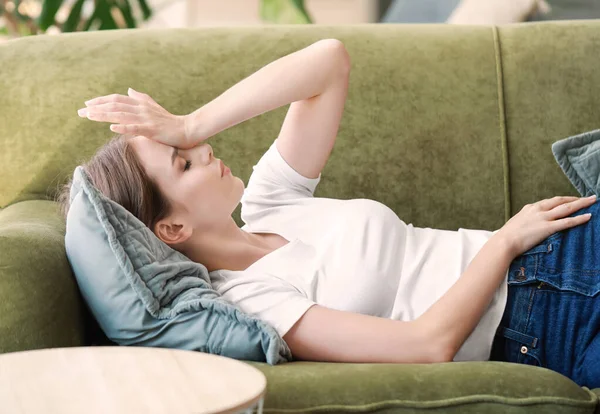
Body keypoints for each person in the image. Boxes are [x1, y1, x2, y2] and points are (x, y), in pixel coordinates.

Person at [59, 39, 599, 388]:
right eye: (183, 163)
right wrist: (503, 242)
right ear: (172, 228)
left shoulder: (270, 201)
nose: (205, 151)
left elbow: (328, 61)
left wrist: (189, 124)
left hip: (561, 244)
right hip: (545, 324)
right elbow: (428, 344)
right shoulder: (251, 302)